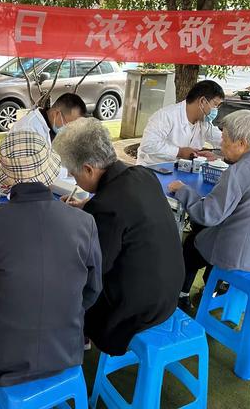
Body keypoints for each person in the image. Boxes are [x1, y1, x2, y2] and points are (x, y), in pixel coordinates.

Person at [0, 130, 102, 386]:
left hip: (1, 362)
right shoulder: (85, 222)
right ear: (49, 172)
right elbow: (92, 290)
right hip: (67, 353)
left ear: (7, 178)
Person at [53, 118, 185, 355]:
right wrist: (87, 205)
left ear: (89, 169)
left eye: (74, 175)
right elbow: (125, 209)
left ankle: (77, 341)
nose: (75, 181)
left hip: (139, 310)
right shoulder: (143, 175)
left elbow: (94, 268)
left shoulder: (106, 207)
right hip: (169, 293)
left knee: (67, 287)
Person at [168, 110, 250, 310]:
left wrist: (183, 191)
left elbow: (208, 215)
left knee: (192, 244)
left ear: (242, 143)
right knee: (209, 236)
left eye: (224, 140)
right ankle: (214, 288)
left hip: (241, 255)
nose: (221, 145)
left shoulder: (240, 171)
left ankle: (181, 296)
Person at [137, 80, 225, 165]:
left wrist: (219, 155)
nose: (215, 110)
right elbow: (148, 145)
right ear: (202, 101)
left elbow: (222, 140)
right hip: (152, 169)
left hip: (180, 170)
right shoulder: (166, 116)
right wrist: (179, 152)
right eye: (215, 105)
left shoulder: (204, 123)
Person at [11, 92, 87, 145]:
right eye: (70, 124)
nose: (71, 129)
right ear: (56, 114)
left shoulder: (52, 126)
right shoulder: (28, 130)